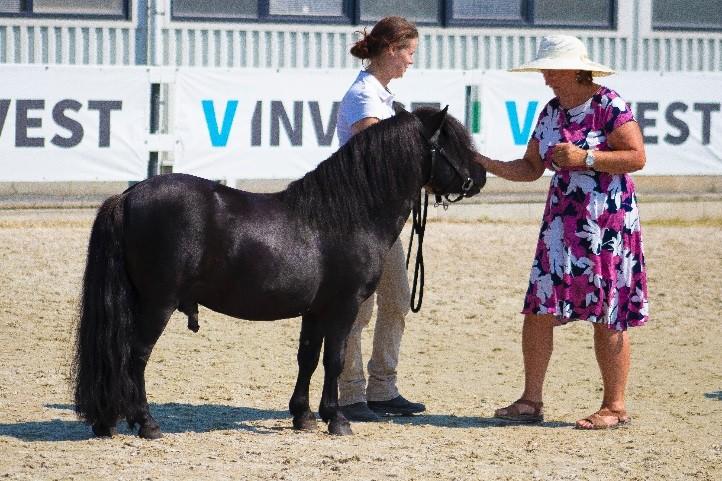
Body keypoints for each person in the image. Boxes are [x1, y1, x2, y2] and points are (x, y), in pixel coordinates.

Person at [474, 35, 649, 429]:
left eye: (552, 68)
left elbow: (637, 157)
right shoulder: (551, 110)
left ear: (576, 68)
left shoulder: (609, 104)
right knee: (538, 308)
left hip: (607, 225)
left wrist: (585, 157)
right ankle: (530, 400)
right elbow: (530, 168)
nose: (546, 77)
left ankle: (615, 406)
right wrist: (480, 161)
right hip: (560, 228)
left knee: (608, 312)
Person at [335, 16, 426, 422]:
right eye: (409, 52)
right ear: (391, 50)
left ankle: (383, 387)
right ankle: (351, 393)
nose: (410, 61)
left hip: (381, 220)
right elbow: (380, 155)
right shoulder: (364, 97)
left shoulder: (384, 96)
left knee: (396, 300)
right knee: (360, 307)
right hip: (358, 219)